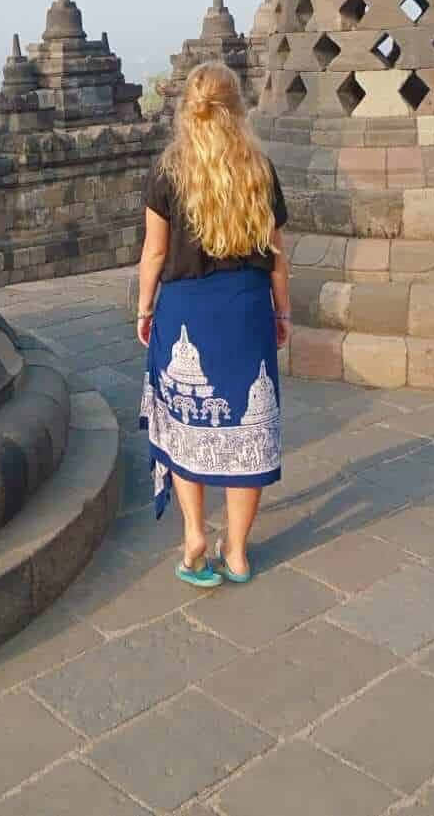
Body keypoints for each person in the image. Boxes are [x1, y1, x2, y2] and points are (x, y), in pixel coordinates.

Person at [137, 61, 290, 587]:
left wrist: (144, 308)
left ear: (188, 109)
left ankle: (195, 536)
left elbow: (154, 253)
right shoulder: (258, 168)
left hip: (185, 306)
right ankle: (239, 552)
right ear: (237, 107)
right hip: (246, 307)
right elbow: (276, 255)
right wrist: (283, 311)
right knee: (250, 427)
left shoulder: (168, 170)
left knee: (187, 427)